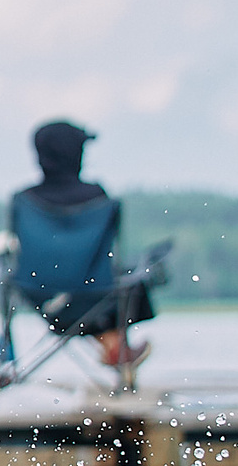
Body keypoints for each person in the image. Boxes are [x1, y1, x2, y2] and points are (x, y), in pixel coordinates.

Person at [16, 120, 151, 375]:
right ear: (73, 155)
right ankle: (116, 345)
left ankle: (113, 345)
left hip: (39, 296)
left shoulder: (24, 201)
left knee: (84, 295)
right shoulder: (97, 197)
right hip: (92, 294)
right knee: (127, 281)